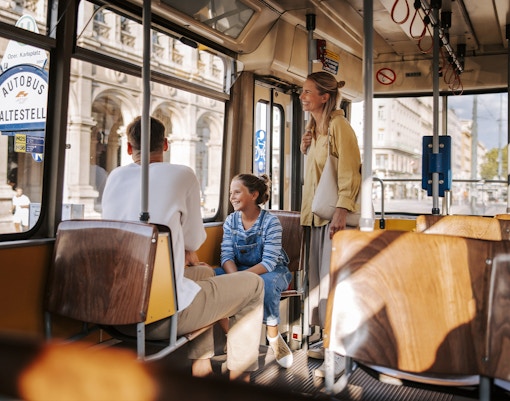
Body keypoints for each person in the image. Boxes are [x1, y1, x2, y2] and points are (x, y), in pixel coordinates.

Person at [102, 116, 264, 383]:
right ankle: (239, 380)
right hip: (157, 316)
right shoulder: (183, 174)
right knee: (253, 284)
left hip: (112, 308)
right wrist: (186, 248)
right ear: (165, 144)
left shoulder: (115, 176)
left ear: (129, 148)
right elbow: (194, 241)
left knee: (206, 274)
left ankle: (200, 366)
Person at [299, 72, 361, 377]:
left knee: (334, 286)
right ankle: (326, 340)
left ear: (325, 96)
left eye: (308, 92)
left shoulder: (339, 126)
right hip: (314, 218)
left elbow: (350, 172)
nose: (302, 96)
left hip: (333, 219)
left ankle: (337, 352)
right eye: (302, 91)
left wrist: (342, 210)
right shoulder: (315, 130)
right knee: (319, 285)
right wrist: (305, 148)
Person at [214, 174, 293, 369]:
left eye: (237, 192)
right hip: (240, 270)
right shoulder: (230, 221)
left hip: (273, 270)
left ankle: (274, 338)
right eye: (230, 192)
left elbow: (268, 262)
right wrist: (235, 277)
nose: (232, 197)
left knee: (265, 284)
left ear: (254, 194)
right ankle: (231, 335)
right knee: (214, 279)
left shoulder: (271, 222)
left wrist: (242, 279)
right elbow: (226, 256)